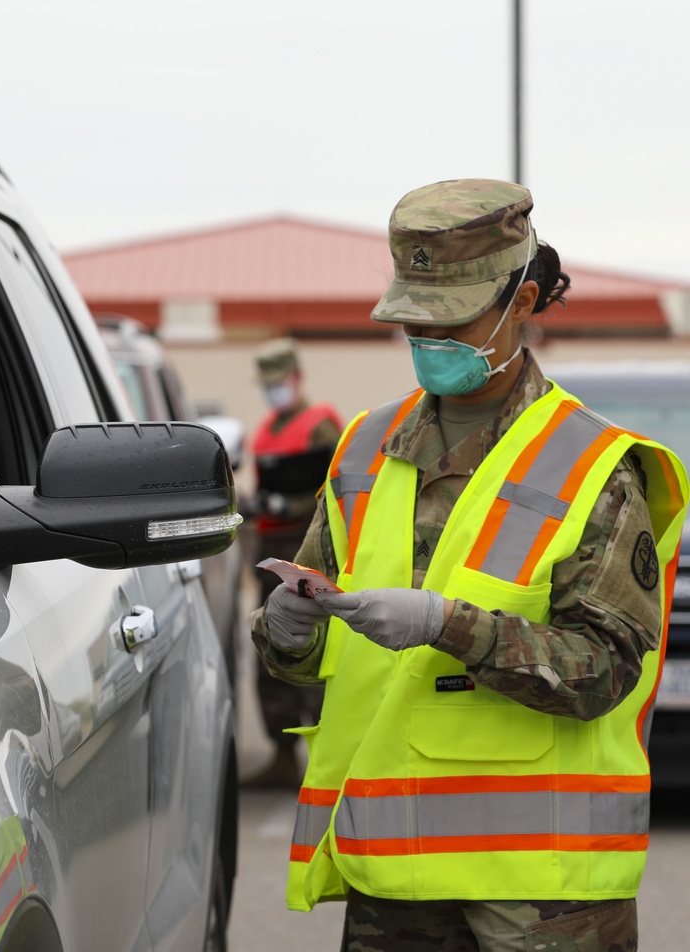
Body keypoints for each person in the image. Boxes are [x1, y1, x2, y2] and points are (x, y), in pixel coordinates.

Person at [251, 178, 688, 950]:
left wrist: (445, 626)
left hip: (546, 899)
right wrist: (287, 631)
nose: (429, 338)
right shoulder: (361, 450)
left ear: (525, 302)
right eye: (414, 320)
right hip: (397, 880)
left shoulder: (593, 465)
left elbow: (604, 669)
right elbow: (314, 652)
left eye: (452, 319)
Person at [242, 337, 343, 788]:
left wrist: (292, 503)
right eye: (267, 384)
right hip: (272, 550)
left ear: (295, 377)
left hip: (307, 551)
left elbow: (335, 488)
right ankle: (284, 756)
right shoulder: (268, 429)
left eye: (278, 382)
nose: (273, 391)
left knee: (315, 647)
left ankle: (329, 757)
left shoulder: (321, 425)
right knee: (272, 648)